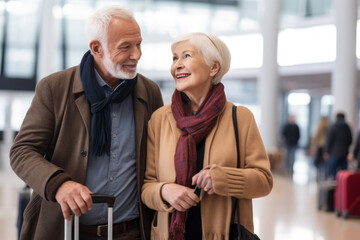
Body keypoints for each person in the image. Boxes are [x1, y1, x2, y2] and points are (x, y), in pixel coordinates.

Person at [10, 5, 163, 240]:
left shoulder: (149, 92)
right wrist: (59, 184)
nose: (137, 55)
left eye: (138, 44)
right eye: (126, 47)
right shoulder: (54, 88)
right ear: (96, 48)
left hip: (131, 231)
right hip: (67, 231)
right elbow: (22, 152)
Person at [141, 32, 273, 239]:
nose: (177, 65)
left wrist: (222, 178)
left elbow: (264, 181)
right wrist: (164, 191)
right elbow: (146, 186)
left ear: (214, 67)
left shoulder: (240, 118)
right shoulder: (160, 119)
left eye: (186, 56)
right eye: (174, 58)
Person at [324, 112, 352, 179]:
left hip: (334, 153)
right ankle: (342, 188)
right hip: (345, 153)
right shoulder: (347, 127)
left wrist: (327, 151)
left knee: (333, 172)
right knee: (344, 174)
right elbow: (350, 140)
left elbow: (329, 140)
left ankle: (335, 186)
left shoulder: (333, 127)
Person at [311, 116, 329, 180]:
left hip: (320, 145)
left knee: (318, 161)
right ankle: (324, 176)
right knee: (325, 161)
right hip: (326, 146)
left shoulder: (319, 126)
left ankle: (318, 175)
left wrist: (314, 145)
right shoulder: (329, 126)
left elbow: (316, 136)